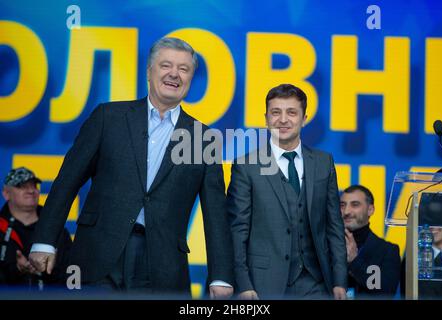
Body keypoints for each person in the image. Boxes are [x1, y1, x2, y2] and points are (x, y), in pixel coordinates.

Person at [28, 37, 234, 298]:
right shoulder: (108, 117)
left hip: (163, 268)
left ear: (191, 78)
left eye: (184, 69)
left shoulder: (204, 139)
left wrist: (222, 276)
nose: (174, 74)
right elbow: (67, 181)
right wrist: (45, 240)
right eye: (166, 65)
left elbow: (216, 214)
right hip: (97, 255)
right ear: (149, 72)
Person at [227, 83, 347, 300]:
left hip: (317, 284)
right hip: (264, 284)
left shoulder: (323, 162)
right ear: (266, 119)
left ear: (304, 118)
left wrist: (340, 280)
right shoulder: (246, 166)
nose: (283, 120)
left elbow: (334, 227)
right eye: (275, 112)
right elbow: (237, 231)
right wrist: (243, 284)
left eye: (291, 112)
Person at [0, 167, 72, 289]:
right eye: (22, 186)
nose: (31, 191)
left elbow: (72, 275)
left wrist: (51, 268)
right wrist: (16, 269)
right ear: (6, 194)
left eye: (34, 186)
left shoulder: (56, 230)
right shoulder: (1, 229)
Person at [339, 185, 401, 299]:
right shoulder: (326, 247)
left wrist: (355, 261)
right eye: (342, 205)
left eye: (355, 204)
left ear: (370, 210)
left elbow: (386, 292)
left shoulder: (387, 251)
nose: (346, 211)